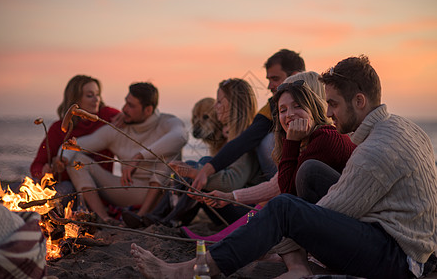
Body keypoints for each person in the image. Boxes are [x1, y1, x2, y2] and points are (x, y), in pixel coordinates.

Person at [130, 55, 437, 279]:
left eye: (333, 104)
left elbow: (320, 215)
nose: (329, 112)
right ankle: (289, 263)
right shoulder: (403, 128)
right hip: (408, 249)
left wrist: (265, 238)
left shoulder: (374, 153)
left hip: (398, 259)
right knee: (285, 208)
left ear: (359, 101)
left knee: (284, 209)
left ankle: (191, 271)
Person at [183, 71, 355, 242]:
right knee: (265, 205)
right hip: (320, 217)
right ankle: (227, 237)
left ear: (312, 100)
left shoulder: (324, 139)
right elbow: (277, 185)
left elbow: (285, 194)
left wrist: (291, 143)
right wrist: (230, 197)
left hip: (340, 227)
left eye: (297, 105)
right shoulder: (308, 139)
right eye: (283, 109)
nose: (289, 114)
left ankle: (229, 238)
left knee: (271, 204)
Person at [123, 78, 266, 228]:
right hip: (229, 209)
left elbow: (231, 183)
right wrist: (193, 172)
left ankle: (165, 219)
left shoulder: (244, 140)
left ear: (233, 106)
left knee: (202, 163)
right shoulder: (234, 136)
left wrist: (194, 173)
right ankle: (159, 217)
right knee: (197, 167)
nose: (215, 107)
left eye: (219, 102)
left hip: (247, 215)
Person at [59, 82, 188, 224]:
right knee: (76, 158)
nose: (124, 109)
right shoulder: (120, 128)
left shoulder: (167, 122)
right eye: (126, 102)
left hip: (162, 195)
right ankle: (103, 218)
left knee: (169, 154)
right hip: (130, 191)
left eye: (131, 106)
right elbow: (77, 144)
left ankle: (141, 215)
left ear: (148, 110)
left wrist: (139, 156)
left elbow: (180, 137)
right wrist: (63, 159)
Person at [193, 49, 306, 189]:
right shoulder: (272, 106)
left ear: (295, 76)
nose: (269, 86)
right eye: (268, 80)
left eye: (275, 79)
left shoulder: (317, 103)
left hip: (301, 182)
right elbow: (247, 138)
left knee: (267, 141)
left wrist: (203, 171)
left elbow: (232, 181)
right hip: (277, 184)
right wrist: (207, 169)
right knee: (204, 164)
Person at [30, 75, 120, 193]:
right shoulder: (59, 128)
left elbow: (133, 118)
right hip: (67, 185)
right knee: (16, 189)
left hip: (100, 188)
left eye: (97, 94)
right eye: (89, 95)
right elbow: (37, 165)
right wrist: (44, 171)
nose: (96, 99)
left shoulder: (107, 116)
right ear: (75, 100)